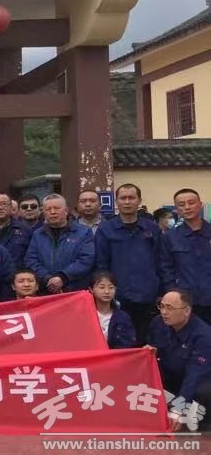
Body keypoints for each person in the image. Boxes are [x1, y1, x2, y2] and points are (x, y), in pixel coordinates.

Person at [95, 183, 172, 343]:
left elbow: (162, 262)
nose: (127, 202)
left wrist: (163, 291)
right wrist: (106, 292)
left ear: (139, 201)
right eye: (123, 198)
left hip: (148, 297)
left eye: (131, 198)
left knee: (146, 342)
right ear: (116, 201)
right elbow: (101, 264)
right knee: (119, 343)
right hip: (118, 297)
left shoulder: (152, 228)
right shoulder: (106, 229)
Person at [147, 289, 211, 431]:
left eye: (170, 308)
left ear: (187, 310)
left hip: (197, 381)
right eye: (161, 306)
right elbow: (153, 346)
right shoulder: (157, 323)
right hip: (171, 375)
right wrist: (149, 352)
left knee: (204, 390)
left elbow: (194, 375)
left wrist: (178, 409)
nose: (164, 312)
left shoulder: (204, 336)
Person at [25, 194, 95, 293]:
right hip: (45, 290)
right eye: (48, 209)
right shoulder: (37, 234)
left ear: (66, 211)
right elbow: (31, 260)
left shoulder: (83, 232)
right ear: (43, 213)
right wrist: (47, 278)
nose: (53, 212)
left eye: (57, 208)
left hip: (74, 290)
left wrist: (63, 277)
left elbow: (86, 260)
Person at [166, 189, 211, 324]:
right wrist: (173, 296)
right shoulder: (170, 237)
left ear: (200, 205)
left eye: (191, 203)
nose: (187, 207)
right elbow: (166, 269)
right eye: (181, 204)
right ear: (176, 209)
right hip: (186, 302)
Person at [90, 271, 136, 349]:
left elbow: (127, 345)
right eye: (102, 287)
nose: (107, 291)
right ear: (91, 289)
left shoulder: (123, 317)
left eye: (111, 287)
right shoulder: (84, 315)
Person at [0, 191, 31, 267]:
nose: (0, 208)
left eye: (4, 204)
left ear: (11, 208)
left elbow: (30, 259)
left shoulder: (26, 231)